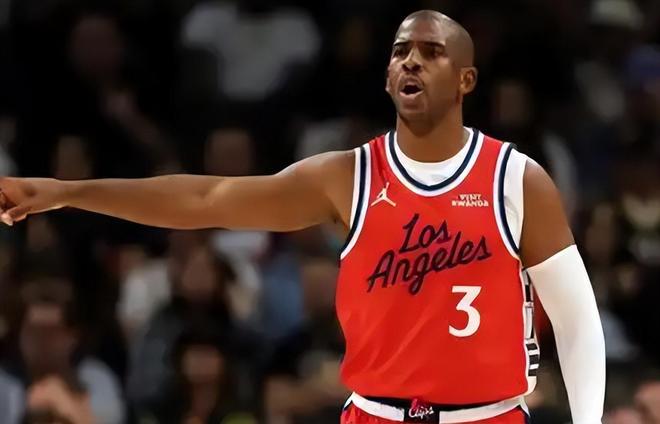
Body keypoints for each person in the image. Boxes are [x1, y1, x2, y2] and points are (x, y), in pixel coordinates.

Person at [0, 10, 605, 424]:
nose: (411, 62)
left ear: (466, 79)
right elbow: (206, 200)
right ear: (387, 77)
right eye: (400, 52)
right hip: (374, 414)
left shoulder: (516, 179)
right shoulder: (348, 176)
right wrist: (68, 192)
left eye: (432, 52)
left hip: (488, 416)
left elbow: (577, 320)